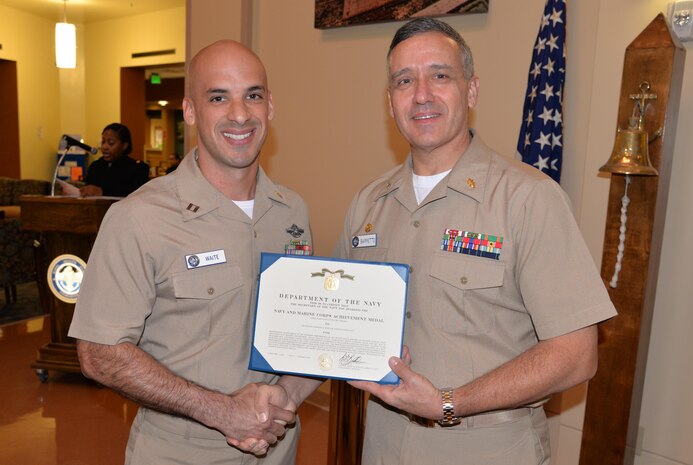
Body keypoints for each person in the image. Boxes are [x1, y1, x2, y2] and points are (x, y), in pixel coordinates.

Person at [333, 18, 617, 465]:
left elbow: (577, 356)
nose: (421, 94)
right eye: (404, 81)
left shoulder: (527, 199)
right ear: (390, 102)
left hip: (489, 448)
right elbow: (337, 324)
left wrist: (449, 401)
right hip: (385, 445)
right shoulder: (369, 204)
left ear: (471, 90)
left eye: (440, 75)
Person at [68, 40, 322, 464]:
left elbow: (309, 330)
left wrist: (286, 397)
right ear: (190, 111)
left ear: (270, 107)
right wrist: (223, 411)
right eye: (218, 97)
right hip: (179, 453)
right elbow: (99, 353)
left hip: (277, 450)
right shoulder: (138, 218)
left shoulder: (291, 212)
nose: (240, 114)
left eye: (252, 96)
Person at [79, 122, 150, 197]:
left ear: (124, 145)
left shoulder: (137, 168)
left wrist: (103, 191)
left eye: (111, 143)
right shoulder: (95, 166)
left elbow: (135, 193)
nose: (104, 147)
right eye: (103, 142)